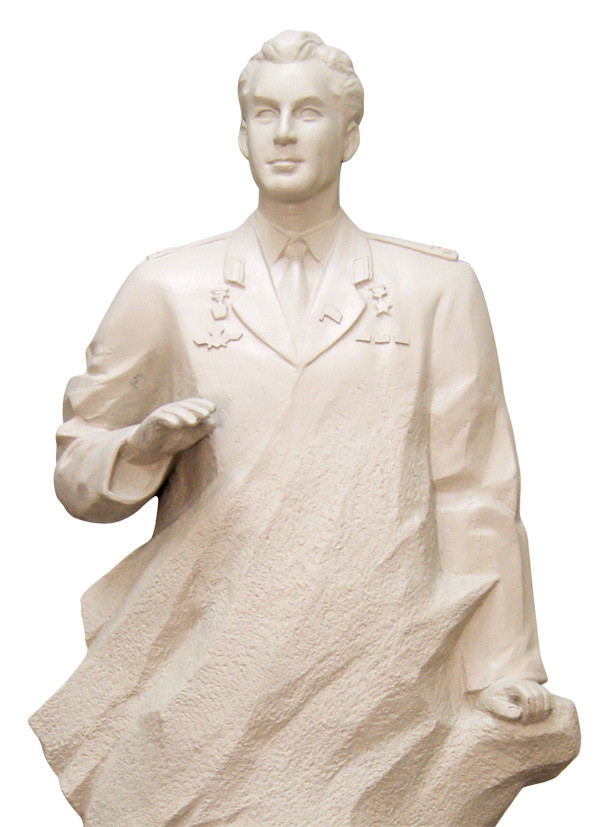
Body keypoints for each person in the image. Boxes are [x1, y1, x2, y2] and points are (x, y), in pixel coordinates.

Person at [30, 30, 578, 826]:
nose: (283, 132)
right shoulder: (167, 287)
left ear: (351, 135)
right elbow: (79, 465)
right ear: (240, 133)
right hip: (215, 656)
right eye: (265, 113)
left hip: (379, 658)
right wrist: (138, 450)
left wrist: (500, 664)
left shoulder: (434, 289)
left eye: (308, 112)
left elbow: (474, 488)